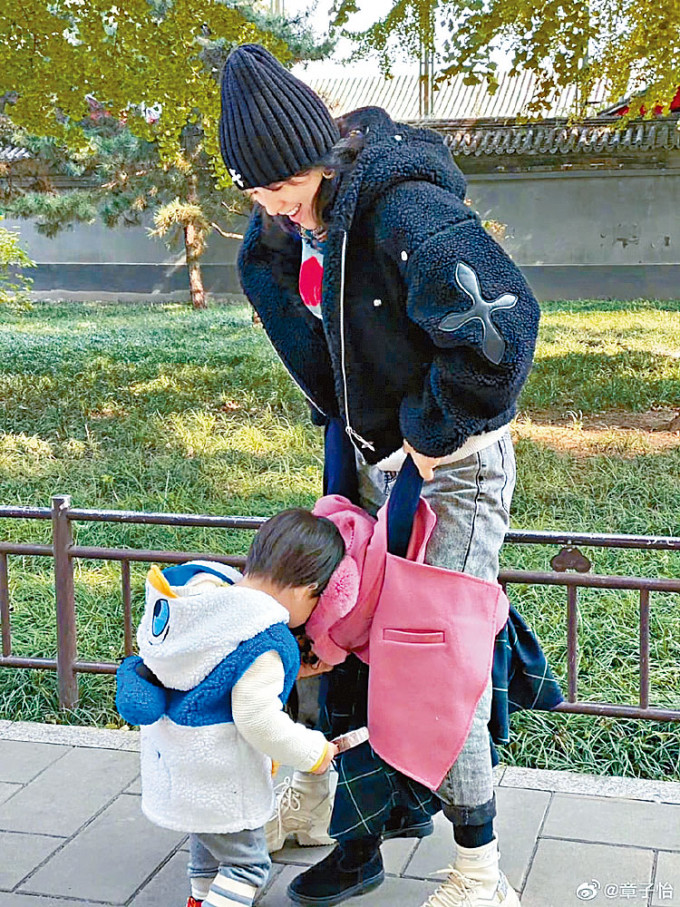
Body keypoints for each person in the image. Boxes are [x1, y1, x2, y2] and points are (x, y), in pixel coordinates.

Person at [219, 44, 541, 907]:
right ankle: (335, 807)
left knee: (433, 653)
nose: (268, 207)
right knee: (332, 623)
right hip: (364, 451)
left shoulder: (409, 211)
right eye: (254, 192)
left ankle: (479, 868)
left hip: (452, 466)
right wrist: (351, 418)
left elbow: (504, 327)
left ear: (316, 155)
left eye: (277, 186)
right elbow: (311, 315)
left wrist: (432, 432)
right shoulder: (302, 216)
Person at [115, 509, 344, 907]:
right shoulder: (264, 640)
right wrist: (315, 753)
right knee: (246, 866)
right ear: (308, 589)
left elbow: (210, 673)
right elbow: (258, 720)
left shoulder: (198, 601)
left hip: (173, 763)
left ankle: (200, 898)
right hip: (220, 775)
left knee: (207, 844)